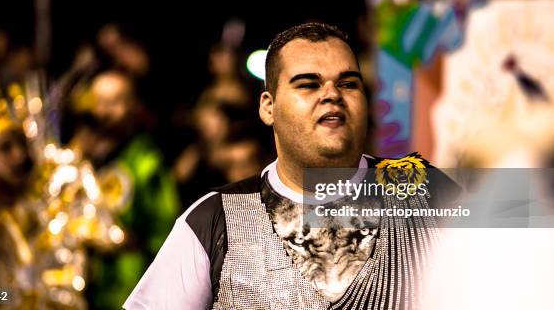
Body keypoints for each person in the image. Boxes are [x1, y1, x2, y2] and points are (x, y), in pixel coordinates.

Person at [123, 23, 458, 310]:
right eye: (308, 84)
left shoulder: (429, 193)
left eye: (348, 83)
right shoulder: (214, 219)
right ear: (268, 107)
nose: (332, 94)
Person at [69, 69, 181, 309]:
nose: (104, 111)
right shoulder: (80, 156)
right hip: (83, 286)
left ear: (134, 106)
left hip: (129, 287)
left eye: (115, 102)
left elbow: (166, 231)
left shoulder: (146, 162)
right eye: (98, 102)